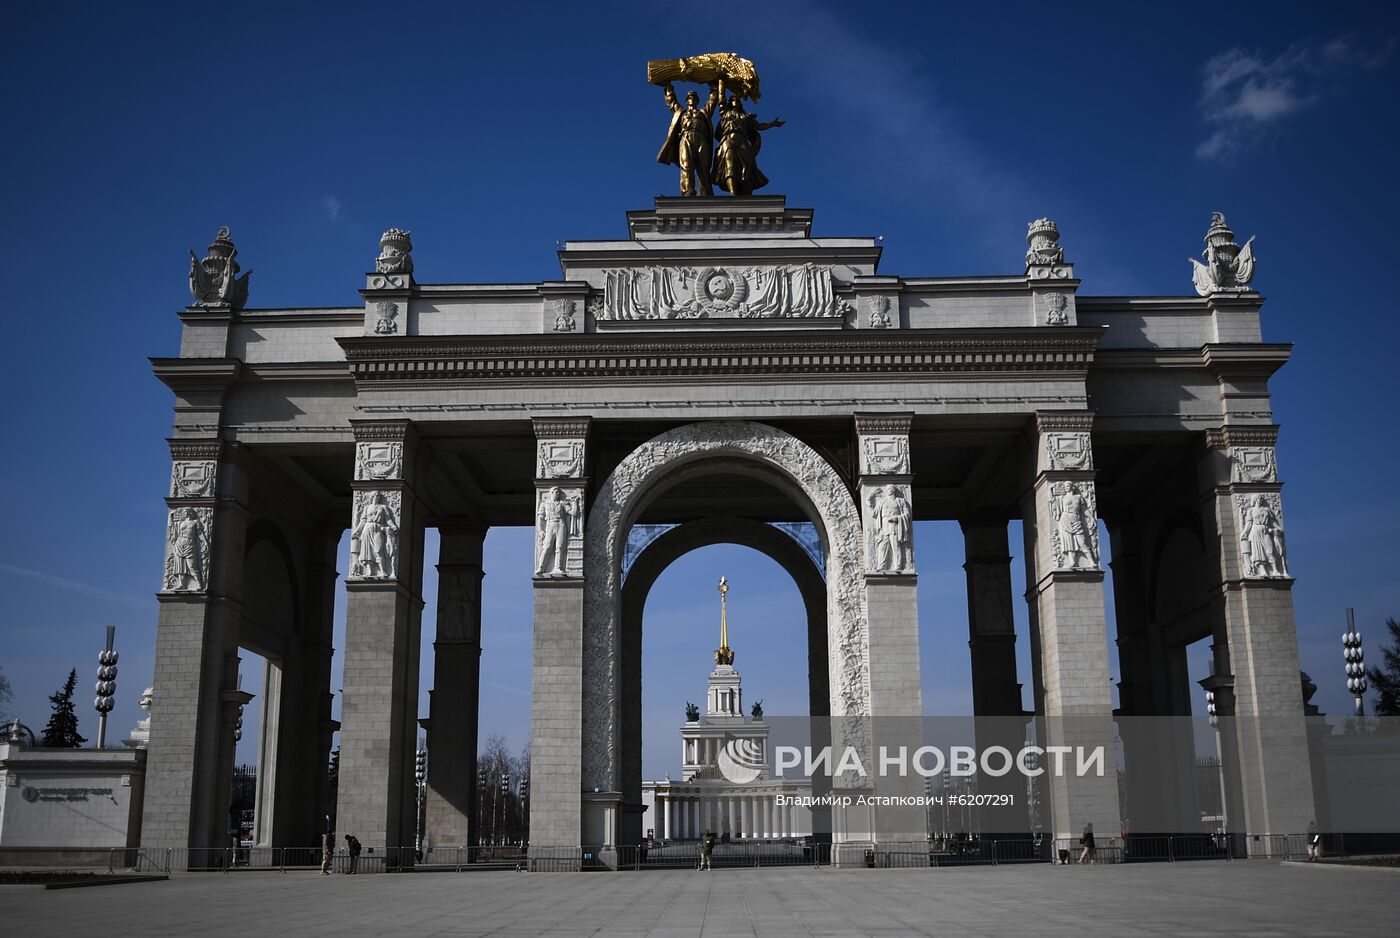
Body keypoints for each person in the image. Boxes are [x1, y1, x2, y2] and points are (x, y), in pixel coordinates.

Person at [711, 96, 784, 196]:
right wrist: (721, 81)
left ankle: (746, 191)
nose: (735, 101)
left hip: (742, 140)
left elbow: (758, 126)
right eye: (733, 100)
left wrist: (772, 124)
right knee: (729, 163)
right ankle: (733, 193)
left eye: (737, 100)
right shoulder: (726, 113)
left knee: (748, 165)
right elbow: (721, 99)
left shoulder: (745, 117)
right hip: (728, 139)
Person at [657, 81, 719, 197]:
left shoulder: (703, 112)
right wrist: (668, 86)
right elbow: (672, 102)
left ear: (697, 100)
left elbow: (713, 101)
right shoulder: (682, 112)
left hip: (701, 139)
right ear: (687, 100)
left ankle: (705, 192)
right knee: (686, 166)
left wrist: (713, 86)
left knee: (704, 167)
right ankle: (688, 191)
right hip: (686, 138)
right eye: (690, 97)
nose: (692, 99)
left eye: (694, 97)